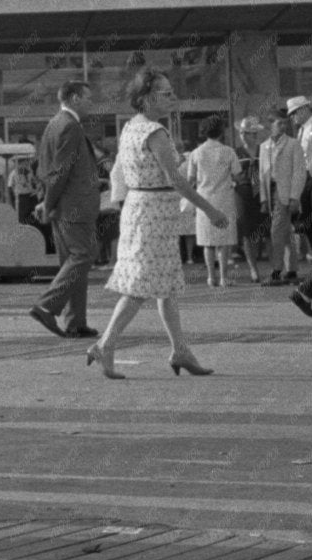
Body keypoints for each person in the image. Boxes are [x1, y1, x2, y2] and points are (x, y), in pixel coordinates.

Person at [85, 67, 229, 380]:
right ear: (147, 98)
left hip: (142, 209)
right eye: (166, 93)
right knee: (141, 287)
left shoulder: (131, 128)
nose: (173, 97)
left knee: (164, 285)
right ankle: (105, 345)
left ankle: (180, 349)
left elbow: (124, 173)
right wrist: (210, 210)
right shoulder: (155, 132)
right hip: (154, 212)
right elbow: (176, 179)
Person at [27, 80, 102, 340]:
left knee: (72, 263)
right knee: (84, 254)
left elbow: (44, 168)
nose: (92, 103)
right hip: (74, 206)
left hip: (63, 205)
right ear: (73, 99)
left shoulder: (53, 125)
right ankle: (47, 305)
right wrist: (48, 203)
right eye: (88, 98)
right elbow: (60, 170)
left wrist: (46, 201)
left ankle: (75, 322)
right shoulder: (70, 127)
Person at [187, 114, 238, 288]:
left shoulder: (196, 153)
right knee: (223, 241)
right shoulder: (229, 151)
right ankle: (224, 277)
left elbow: (190, 179)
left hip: (203, 199)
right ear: (221, 131)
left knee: (207, 240)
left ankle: (211, 277)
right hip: (224, 198)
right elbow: (237, 173)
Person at [260, 113, 307, 284]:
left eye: (285, 123)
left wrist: (295, 196)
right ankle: (292, 270)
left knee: (276, 231)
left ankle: (276, 270)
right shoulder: (264, 146)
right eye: (279, 123)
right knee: (286, 232)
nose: (283, 127)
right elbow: (262, 174)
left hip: (285, 193)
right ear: (270, 125)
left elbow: (299, 172)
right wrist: (264, 199)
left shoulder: (293, 144)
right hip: (272, 191)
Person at [233, 116, 268, 282]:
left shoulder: (265, 150)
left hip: (263, 192)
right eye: (243, 132)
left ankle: (274, 268)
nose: (246, 135)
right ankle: (253, 269)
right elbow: (230, 173)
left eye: (251, 133)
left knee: (267, 231)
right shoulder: (236, 152)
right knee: (247, 232)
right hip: (243, 193)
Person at [286, 95, 312, 259]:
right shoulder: (301, 131)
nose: (292, 116)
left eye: (295, 112)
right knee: (308, 225)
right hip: (305, 181)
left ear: (304, 109)